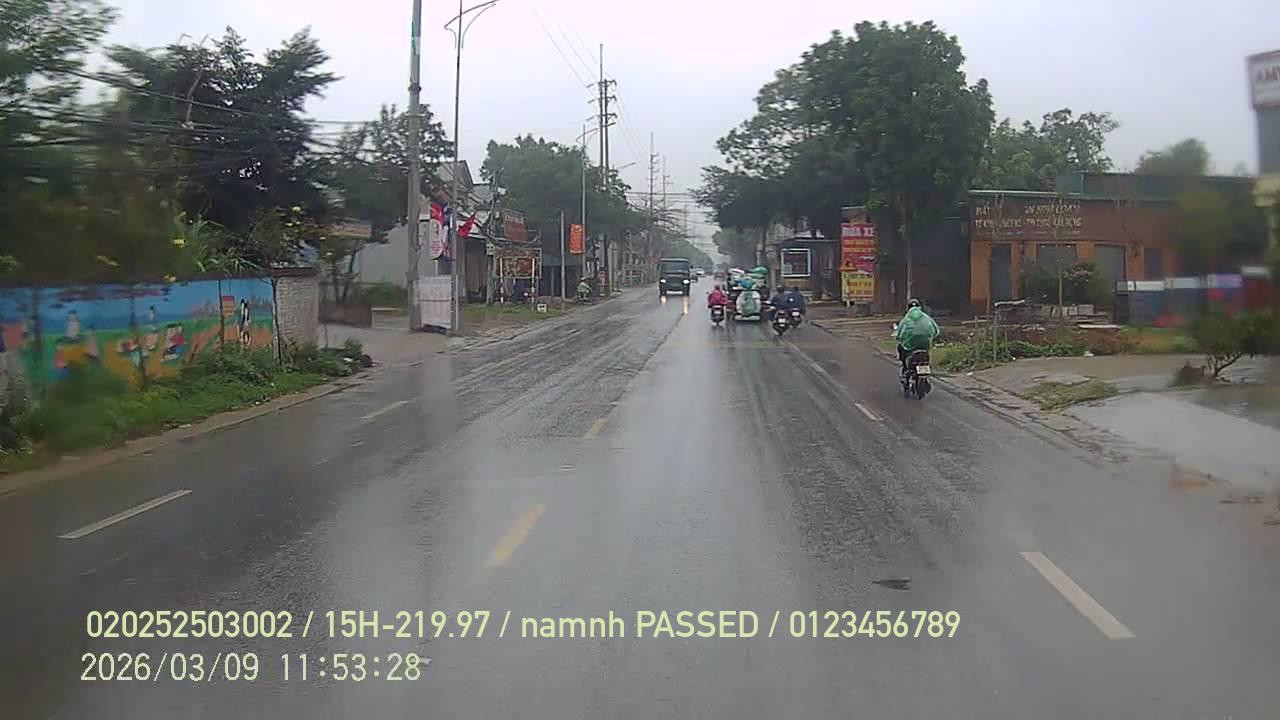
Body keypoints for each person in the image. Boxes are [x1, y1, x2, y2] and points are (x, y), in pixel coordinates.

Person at [895, 299, 940, 376]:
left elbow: (900, 333)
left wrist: (899, 338)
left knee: (901, 348)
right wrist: (931, 338)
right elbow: (936, 330)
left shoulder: (906, 319)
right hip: (925, 344)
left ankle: (905, 368)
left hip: (910, 345)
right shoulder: (926, 318)